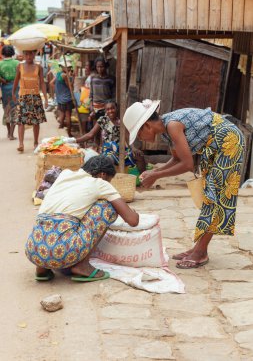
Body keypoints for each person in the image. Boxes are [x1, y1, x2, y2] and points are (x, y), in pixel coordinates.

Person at [123, 99, 245, 269]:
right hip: (216, 147)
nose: (140, 139)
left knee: (215, 198)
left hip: (229, 143)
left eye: (139, 134)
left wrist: (157, 176)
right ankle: (198, 248)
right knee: (210, 197)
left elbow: (187, 165)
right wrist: (154, 172)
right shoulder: (166, 128)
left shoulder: (172, 125)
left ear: (147, 126)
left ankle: (201, 252)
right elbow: (177, 158)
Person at [25, 155, 139, 282]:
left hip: (33, 250)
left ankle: (42, 268)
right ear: (102, 174)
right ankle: (82, 266)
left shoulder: (65, 174)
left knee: (55, 216)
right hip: (61, 252)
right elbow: (133, 220)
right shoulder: (100, 183)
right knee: (107, 207)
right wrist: (133, 212)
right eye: (109, 180)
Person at [76, 100, 146, 173]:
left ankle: (143, 178)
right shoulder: (103, 120)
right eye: (108, 109)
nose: (110, 111)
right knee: (109, 158)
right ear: (105, 110)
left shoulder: (121, 121)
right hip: (107, 150)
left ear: (116, 109)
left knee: (139, 156)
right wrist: (74, 140)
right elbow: (90, 134)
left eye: (112, 108)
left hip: (120, 150)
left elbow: (127, 137)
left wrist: (134, 149)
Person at [12, 50, 47, 152]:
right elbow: (16, 80)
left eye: (31, 54)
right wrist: (13, 92)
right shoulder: (20, 66)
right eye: (26, 54)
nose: (28, 56)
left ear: (34, 54)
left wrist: (45, 97)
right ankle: (21, 143)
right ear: (23, 55)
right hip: (23, 96)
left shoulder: (38, 67)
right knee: (21, 121)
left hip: (35, 96)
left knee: (36, 121)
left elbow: (42, 83)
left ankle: (36, 142)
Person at [0, 45, 19, 140]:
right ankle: (11, 134)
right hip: (16, 89)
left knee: (6, 110)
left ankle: (8, 133)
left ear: (3, 53)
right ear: (12, 52)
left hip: (5, 88)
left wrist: (3, 81)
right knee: (15, 110)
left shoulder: (0, 64)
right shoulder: (17, 63)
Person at [53, 60, 74, 137]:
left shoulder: (58, 74)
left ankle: (60, 129)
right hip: (67, 98)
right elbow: (70, 86)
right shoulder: (65, 76)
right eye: (68, 67)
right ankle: (69, 133)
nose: (69, 68)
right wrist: (72, 78)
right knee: (68, 116)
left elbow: (51, 83)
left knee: (62, 115)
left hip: (60, 98)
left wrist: (58, 91)